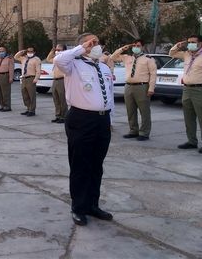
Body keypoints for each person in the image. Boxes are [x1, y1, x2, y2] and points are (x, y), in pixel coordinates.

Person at [53, 33, 115, 226]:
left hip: (102, 121)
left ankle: (92, 205)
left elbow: (109, 95)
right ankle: (78, 207)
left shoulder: (104, 67)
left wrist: (109, 118)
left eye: (98, 42)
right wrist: (82, 48)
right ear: (83, 45)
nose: (97, 45)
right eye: (92, 42)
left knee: (97, 165)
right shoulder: (73, 65)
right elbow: (58, 59)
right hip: (81, 119)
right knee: (80, 165)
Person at [169, 35, 202, 154]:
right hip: (187, 89)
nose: (190, 44)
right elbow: (172, 54)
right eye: (189, 42)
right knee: (188, 117)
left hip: (200, 90)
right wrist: (178, 45)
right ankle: (191, 141)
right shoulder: (187, 54)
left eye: (193, 42)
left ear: (201, 44)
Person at [111, 39, 157, 141]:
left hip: (142, 86)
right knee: (130, 110)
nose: (136, 47)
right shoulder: (127, 57)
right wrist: (123, 48)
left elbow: (153, 74)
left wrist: (151, 88)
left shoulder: (148, 59)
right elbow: (112, 57)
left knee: (144, 111)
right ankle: (133, 130)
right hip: (128, 86)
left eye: (138, 45)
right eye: (134, 45)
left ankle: (144, 132)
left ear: (142, 47)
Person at [14, 47, 41, 116]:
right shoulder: (24, 58)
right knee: (25, 94)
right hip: (24, 78)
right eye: (28, 51)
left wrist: (36, 78)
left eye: (31, 51)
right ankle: (28, 108)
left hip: (31, 78)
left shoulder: (36, 59)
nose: (29, 53)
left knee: (31, 95)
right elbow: (15, 57)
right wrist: (22, 51)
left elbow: (38, 70)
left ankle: (32, 110)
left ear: (34, 52)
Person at [46, 45, 68, 123]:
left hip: (62, 80)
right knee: (56, 99)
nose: (57, 51)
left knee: (62, 99)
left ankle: (64, 116)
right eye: (56, 49)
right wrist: (52, 51)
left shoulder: (65, 59)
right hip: (55, 80)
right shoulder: (56, 59)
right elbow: (48, 59)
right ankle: (58, 115)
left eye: (59, 49)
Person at [0, 46, 14, 112]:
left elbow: (11, 68)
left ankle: (7, 106)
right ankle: (2, 106)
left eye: (2, 51)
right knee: (0, 92)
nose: (1, 52)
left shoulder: (9, 58)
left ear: (5, 51)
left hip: (5, 75)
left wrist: (11, 77)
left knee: (6, 92)